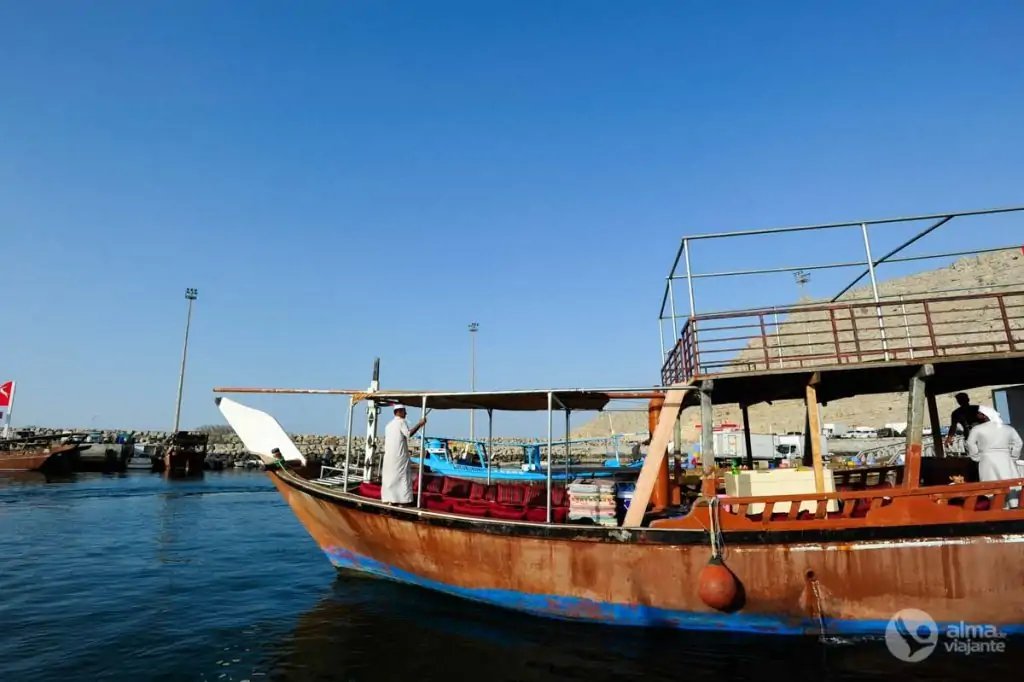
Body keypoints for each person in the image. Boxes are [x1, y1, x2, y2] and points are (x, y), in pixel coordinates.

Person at [965, 409, 1022, 509]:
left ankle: (996, 509)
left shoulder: (977, 429)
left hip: (987, 460)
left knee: (991, 485)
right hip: (1006, 459)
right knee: (1010, 484)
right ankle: (1014, 508)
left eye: (979, 413)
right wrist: (1013, 457)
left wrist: (976, 457)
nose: (977, 415)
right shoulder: (1008, 428)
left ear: (985, 415)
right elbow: (1019, 443)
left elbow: (970, 443)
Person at [381, 405, 426, 505]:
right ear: (399, 412)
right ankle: (403, 501)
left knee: (390, 478)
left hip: (388, 457)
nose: (406, 414)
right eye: (405, 411)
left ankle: (389, 500)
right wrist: (420, 424)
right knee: (402, 478)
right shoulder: (401, 422)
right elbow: (408, 434)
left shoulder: (388, 425)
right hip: (399, 456)